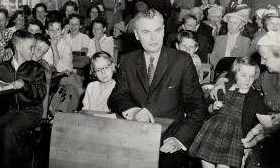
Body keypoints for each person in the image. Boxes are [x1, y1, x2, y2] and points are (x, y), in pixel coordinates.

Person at [108, 9, 205, 168]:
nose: (153, 38)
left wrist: (179, 139)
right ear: (137, 35)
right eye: (146, 32)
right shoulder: (128, 60)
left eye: (158, 30)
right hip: (134, 137)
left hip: (169, 141)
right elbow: (117, 96)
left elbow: (197, 108)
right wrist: (133, 111)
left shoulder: (182, 61)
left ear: (164, 31)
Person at [189, 57, 264, 168]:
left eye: (252, 76)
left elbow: (257, 122)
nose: (248, 80)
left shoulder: (255, 97)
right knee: (206, 163)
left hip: (234, 137)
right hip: (213, 132)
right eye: (243, 75)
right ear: (235, 73)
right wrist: (212, 107)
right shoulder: (224, 88)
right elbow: (207, 110)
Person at [0, 30, 46, 168]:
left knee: (11, 130)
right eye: (31, 47)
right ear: (19, 48)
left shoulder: (36, 68)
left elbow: (41, 92)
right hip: (11, 110)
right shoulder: (2, 68)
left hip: (32, 111)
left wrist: (25, 85)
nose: (34, 51)